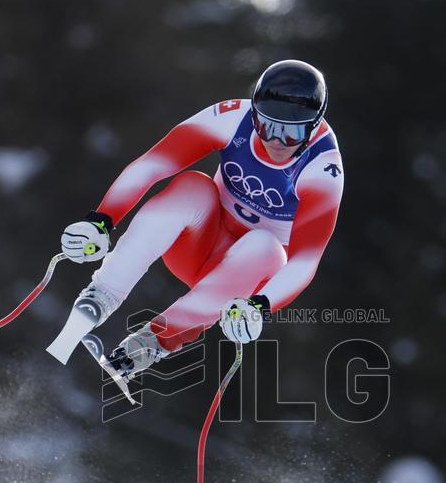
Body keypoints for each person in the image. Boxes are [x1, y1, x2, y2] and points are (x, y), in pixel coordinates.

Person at [46, 59, 344, 388]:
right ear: (255, 112)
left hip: (239, 281)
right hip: (196, 243)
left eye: (292, 133)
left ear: (314, 127)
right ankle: (102, 294)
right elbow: (153, 164)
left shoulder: (322, 168)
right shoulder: (232, 118)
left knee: (268, 248)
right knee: (193, 186)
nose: (276, 141)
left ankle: (153, 342)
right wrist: (101, 220)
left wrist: (260, 306)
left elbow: (306, 259)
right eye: (267, 126)